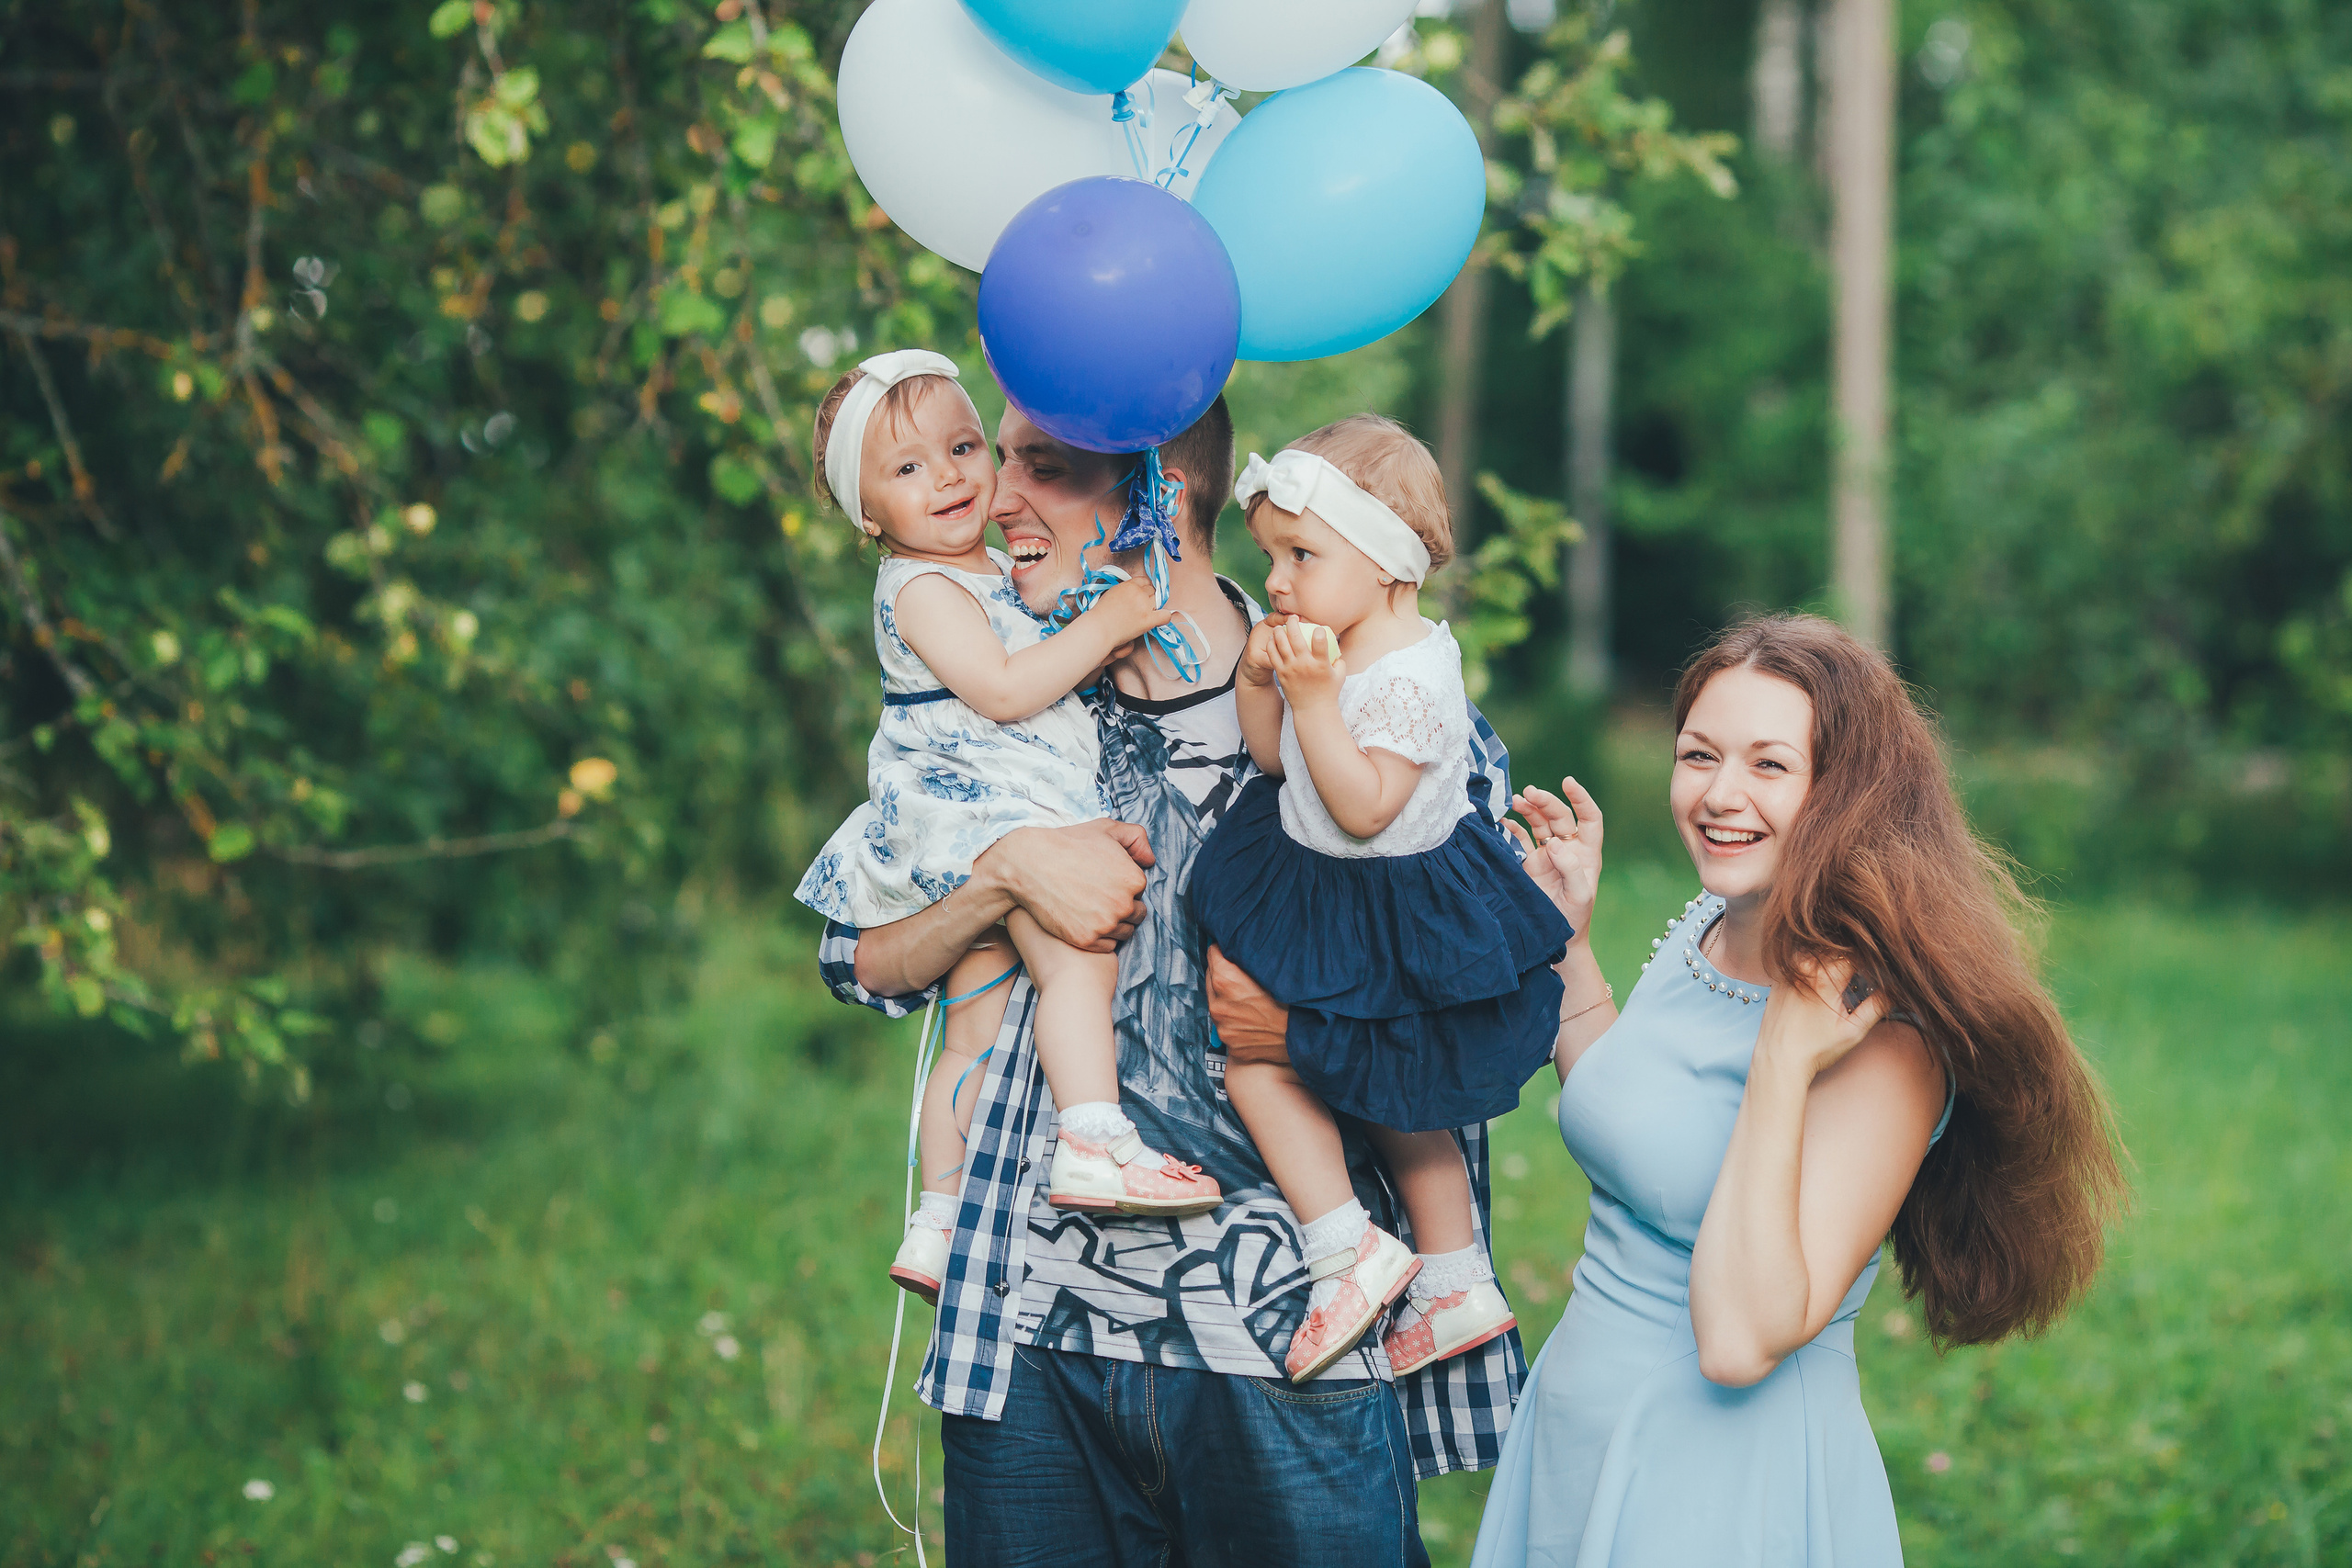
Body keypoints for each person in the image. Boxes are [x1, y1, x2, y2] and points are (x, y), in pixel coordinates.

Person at [820, 393, 1526, 1566]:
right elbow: (859, 958)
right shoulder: (1006, 704)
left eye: (1041, 467)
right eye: (997, 461)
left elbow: (1482, 1002)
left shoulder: (1371, 713)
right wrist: (1004, 879)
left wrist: (1302, 1028)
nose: (997, 500)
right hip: (1031, 1331)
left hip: (1280, 1345)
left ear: (1159, 493)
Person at [1459, 612, 2128, 1566]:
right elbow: (1642, 1122)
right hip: (1576, 1436)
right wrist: (1564, 939)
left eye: (1769, 765)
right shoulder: (1712, 918)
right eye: (1699, 755)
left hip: (1723, 1484)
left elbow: (1740, 1341)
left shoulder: (1882, 1029)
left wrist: (1780, 1057)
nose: (1720, 794)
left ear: (1845, 792)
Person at [789, 349, 1219, 1310]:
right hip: (987, 808)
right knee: (1077, 956)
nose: (948, 476)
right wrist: (1108, 623)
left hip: (992, 810)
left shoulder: (982, 571)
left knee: (971, 1027)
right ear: (867, 516)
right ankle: (1096, 1136)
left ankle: (939, 1219)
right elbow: (1005, 688)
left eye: (960, 447)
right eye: (906, 469)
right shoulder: (921, 588)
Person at [1190, 418, 1570, 1383]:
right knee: (1394, 1098)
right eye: (1271, 555)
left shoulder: (1410, 678)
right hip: (1330, 883)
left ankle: (1346, 1248)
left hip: (1388, 909)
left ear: (1387, 563)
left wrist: (1315, 698)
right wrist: (1259, 680)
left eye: (1301, 555)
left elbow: (1363, 808)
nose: (1275, 581)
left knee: (1281, 1069)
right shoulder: (1342, 647)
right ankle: (1456, 1280)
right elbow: (1278, 764)